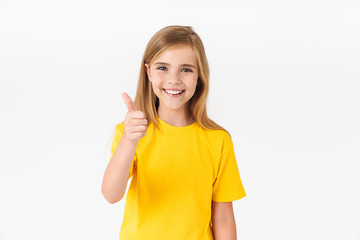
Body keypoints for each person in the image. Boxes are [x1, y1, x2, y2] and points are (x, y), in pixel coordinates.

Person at [101, 25, 246, 240]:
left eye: (186, 69)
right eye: (162, 68)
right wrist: (130, 141)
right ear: (148, 72)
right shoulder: (130, 133)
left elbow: (224, 218)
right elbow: (111, 195)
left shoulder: (218, 140)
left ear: (199, 76)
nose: (174, 79)